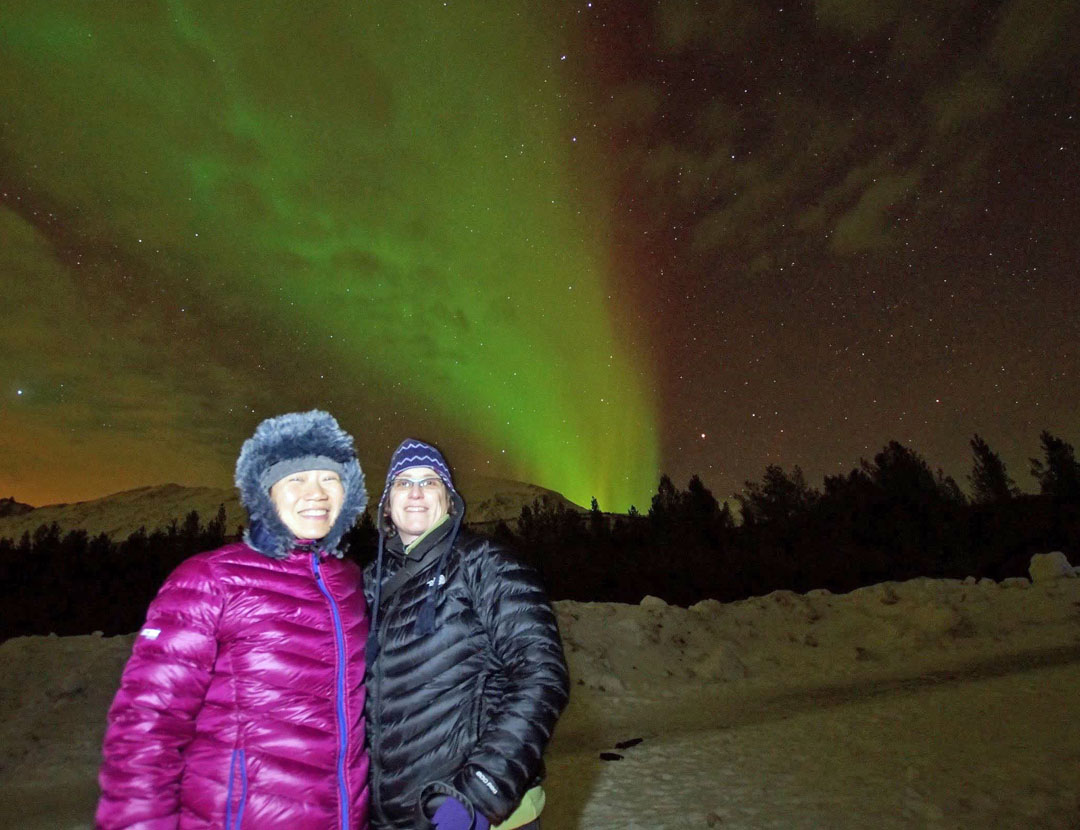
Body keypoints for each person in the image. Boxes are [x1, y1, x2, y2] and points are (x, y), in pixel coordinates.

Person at [96, 410, 371, 829]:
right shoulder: (211, 578)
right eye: (296, 478)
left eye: (329, 478)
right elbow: (148, 725)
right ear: (265, 492)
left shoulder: (347, 581)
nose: (316, 493)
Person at [364, 439, 569, 830]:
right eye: (403, 483)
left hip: (476, 816)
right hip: (394, 819)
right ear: (386, 504)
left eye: (430, 482)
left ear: (449, 498)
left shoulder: (487, 565)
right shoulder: (371, 583)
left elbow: (542, 676)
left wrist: (478, 797)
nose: (416, 493)